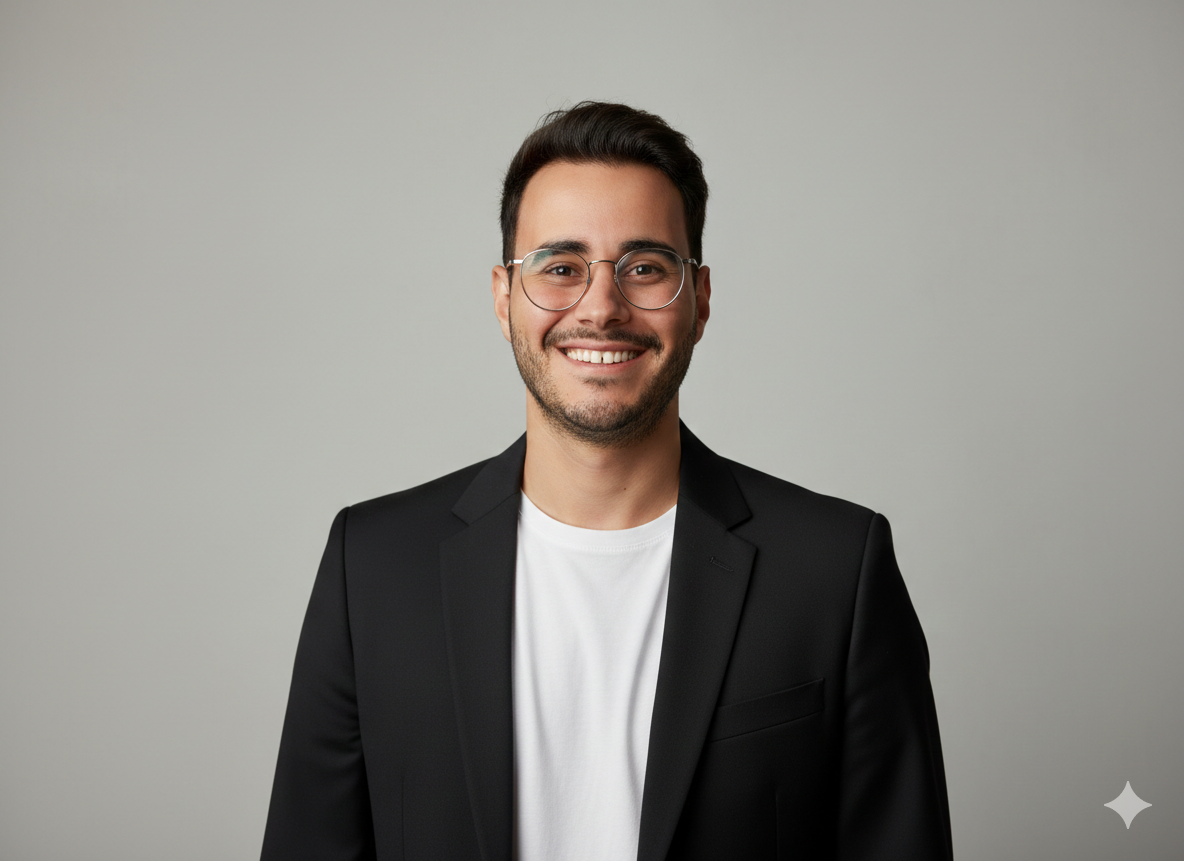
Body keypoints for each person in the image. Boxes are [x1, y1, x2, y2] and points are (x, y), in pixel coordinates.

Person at [261, 101, 953, 861]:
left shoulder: (834, 570)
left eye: (645, 268)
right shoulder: (374, 567)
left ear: (701, 299)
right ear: (502, 298)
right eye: (560, 268)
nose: (601, 306)